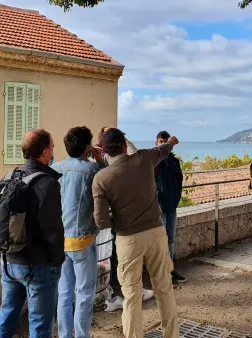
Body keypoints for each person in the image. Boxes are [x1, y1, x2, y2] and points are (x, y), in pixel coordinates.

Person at [92, 128, 180, 338]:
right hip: (156, 233)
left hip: (127, 239)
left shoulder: (101, 178)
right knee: (164, 290)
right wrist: (173, 142)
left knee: (131, 297)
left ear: (104, 151)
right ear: (124, 145)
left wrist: (122, 219)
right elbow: (164, 149)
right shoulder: (143, 159)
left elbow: (101, 220)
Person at [0, 129, 64, 338]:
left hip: (9, 261)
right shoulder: (47, 183)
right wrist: (57, 260)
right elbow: (52, 229)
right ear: (44, 152)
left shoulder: (10, 176)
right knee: (40, 325)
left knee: (6, 315)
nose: (53, 152)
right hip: (37, 265)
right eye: (52, 148)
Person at [51, 126, 106, 338]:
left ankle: (65, 335)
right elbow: (110, 177)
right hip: (83, 239)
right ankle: (82, 335)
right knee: (84, 293)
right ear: (87, 147)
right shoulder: (93, 171)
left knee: (64, 292)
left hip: (60, 239)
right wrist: (99, 158)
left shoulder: (55, 169)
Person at [94, 126, 155, 312]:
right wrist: (124, 140)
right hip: (116, 221)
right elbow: (136, 156)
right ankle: (119, 295)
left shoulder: (105, 161)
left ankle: (119, 294)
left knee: (118, 260)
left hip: (113, 220)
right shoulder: (100, 163)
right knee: (117, 260)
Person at [154, 131, 186, 283]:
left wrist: (176, 199)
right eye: (161, 141)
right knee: (161, 241)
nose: (164, 144)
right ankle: (162, 274)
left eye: (166, 141)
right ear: (156, 144)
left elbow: (179, 182)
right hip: (159, 208)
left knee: (170, 240)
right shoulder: (153, 163)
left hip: (172, 206)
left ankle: (170, 270)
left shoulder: (174, 162)